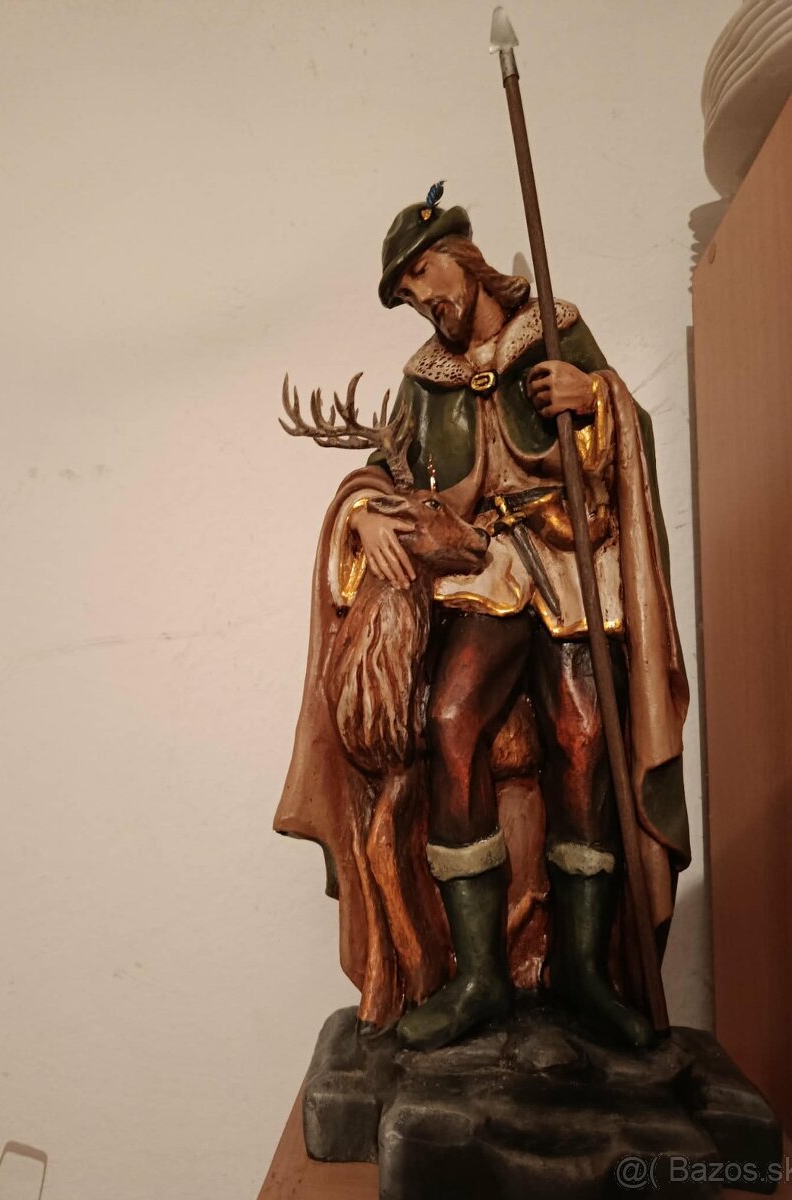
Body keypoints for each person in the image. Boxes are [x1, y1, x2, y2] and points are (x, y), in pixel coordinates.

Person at [275, 188, 690, 1051]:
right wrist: (363, 514)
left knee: (584, 741)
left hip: (572, 565)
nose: (422, 299)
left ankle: (582, 969)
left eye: (423, 275)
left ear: (460, 256)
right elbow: (386, 471)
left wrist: (594, 396)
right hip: (486, 570)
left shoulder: (555, 329)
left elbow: (628, 436)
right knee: (450, 719)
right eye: (406, 294)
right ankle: (479, 975)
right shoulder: (423, 381)